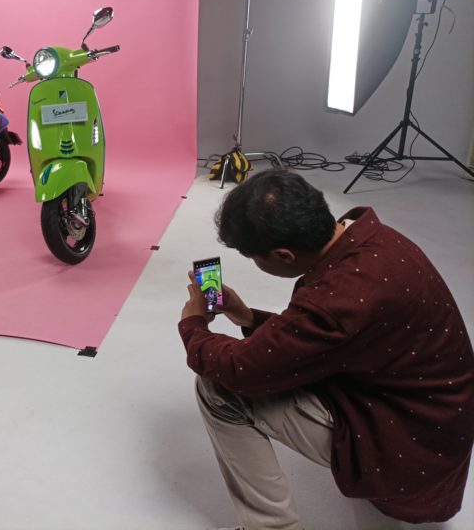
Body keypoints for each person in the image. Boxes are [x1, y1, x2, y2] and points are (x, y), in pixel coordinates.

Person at [178, 168, 473, 530]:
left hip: (413, 449)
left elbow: (241, 369)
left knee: (218, 389)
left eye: (254, 256)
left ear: (284, 255)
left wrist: (193, 324)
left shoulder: (337, 298)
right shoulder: (376, 239)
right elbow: (318, 340)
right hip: (435, 422)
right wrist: (246, 316)